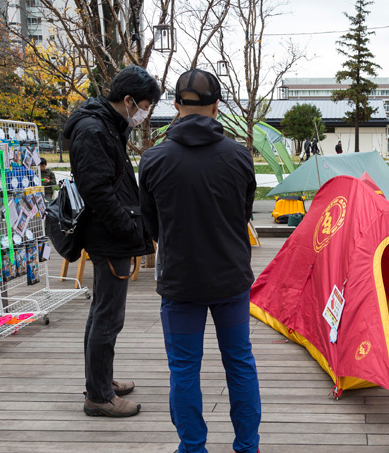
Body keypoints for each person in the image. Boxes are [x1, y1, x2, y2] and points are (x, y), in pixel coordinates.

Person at [139, 69, 260, 453]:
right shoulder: (240, 156)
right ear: (217, 105)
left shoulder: (153, 160)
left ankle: (193, 447)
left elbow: (152, 225)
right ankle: (247, 446)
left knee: (184, 370)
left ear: (175, 105)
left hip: (180, 282)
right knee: (239, 363)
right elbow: (243, 215)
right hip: (231, 279)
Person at [64, 65, 160, 417]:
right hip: (109, 238)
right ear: (129, 99)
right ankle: (99, 396)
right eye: (145, 105)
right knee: (107, 317)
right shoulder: (93, 130)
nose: (145, 114)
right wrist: (128, 230)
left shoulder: (104, 125)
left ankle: (100, 381)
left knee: (103, 314)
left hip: (110, 236)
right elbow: (98, 193)